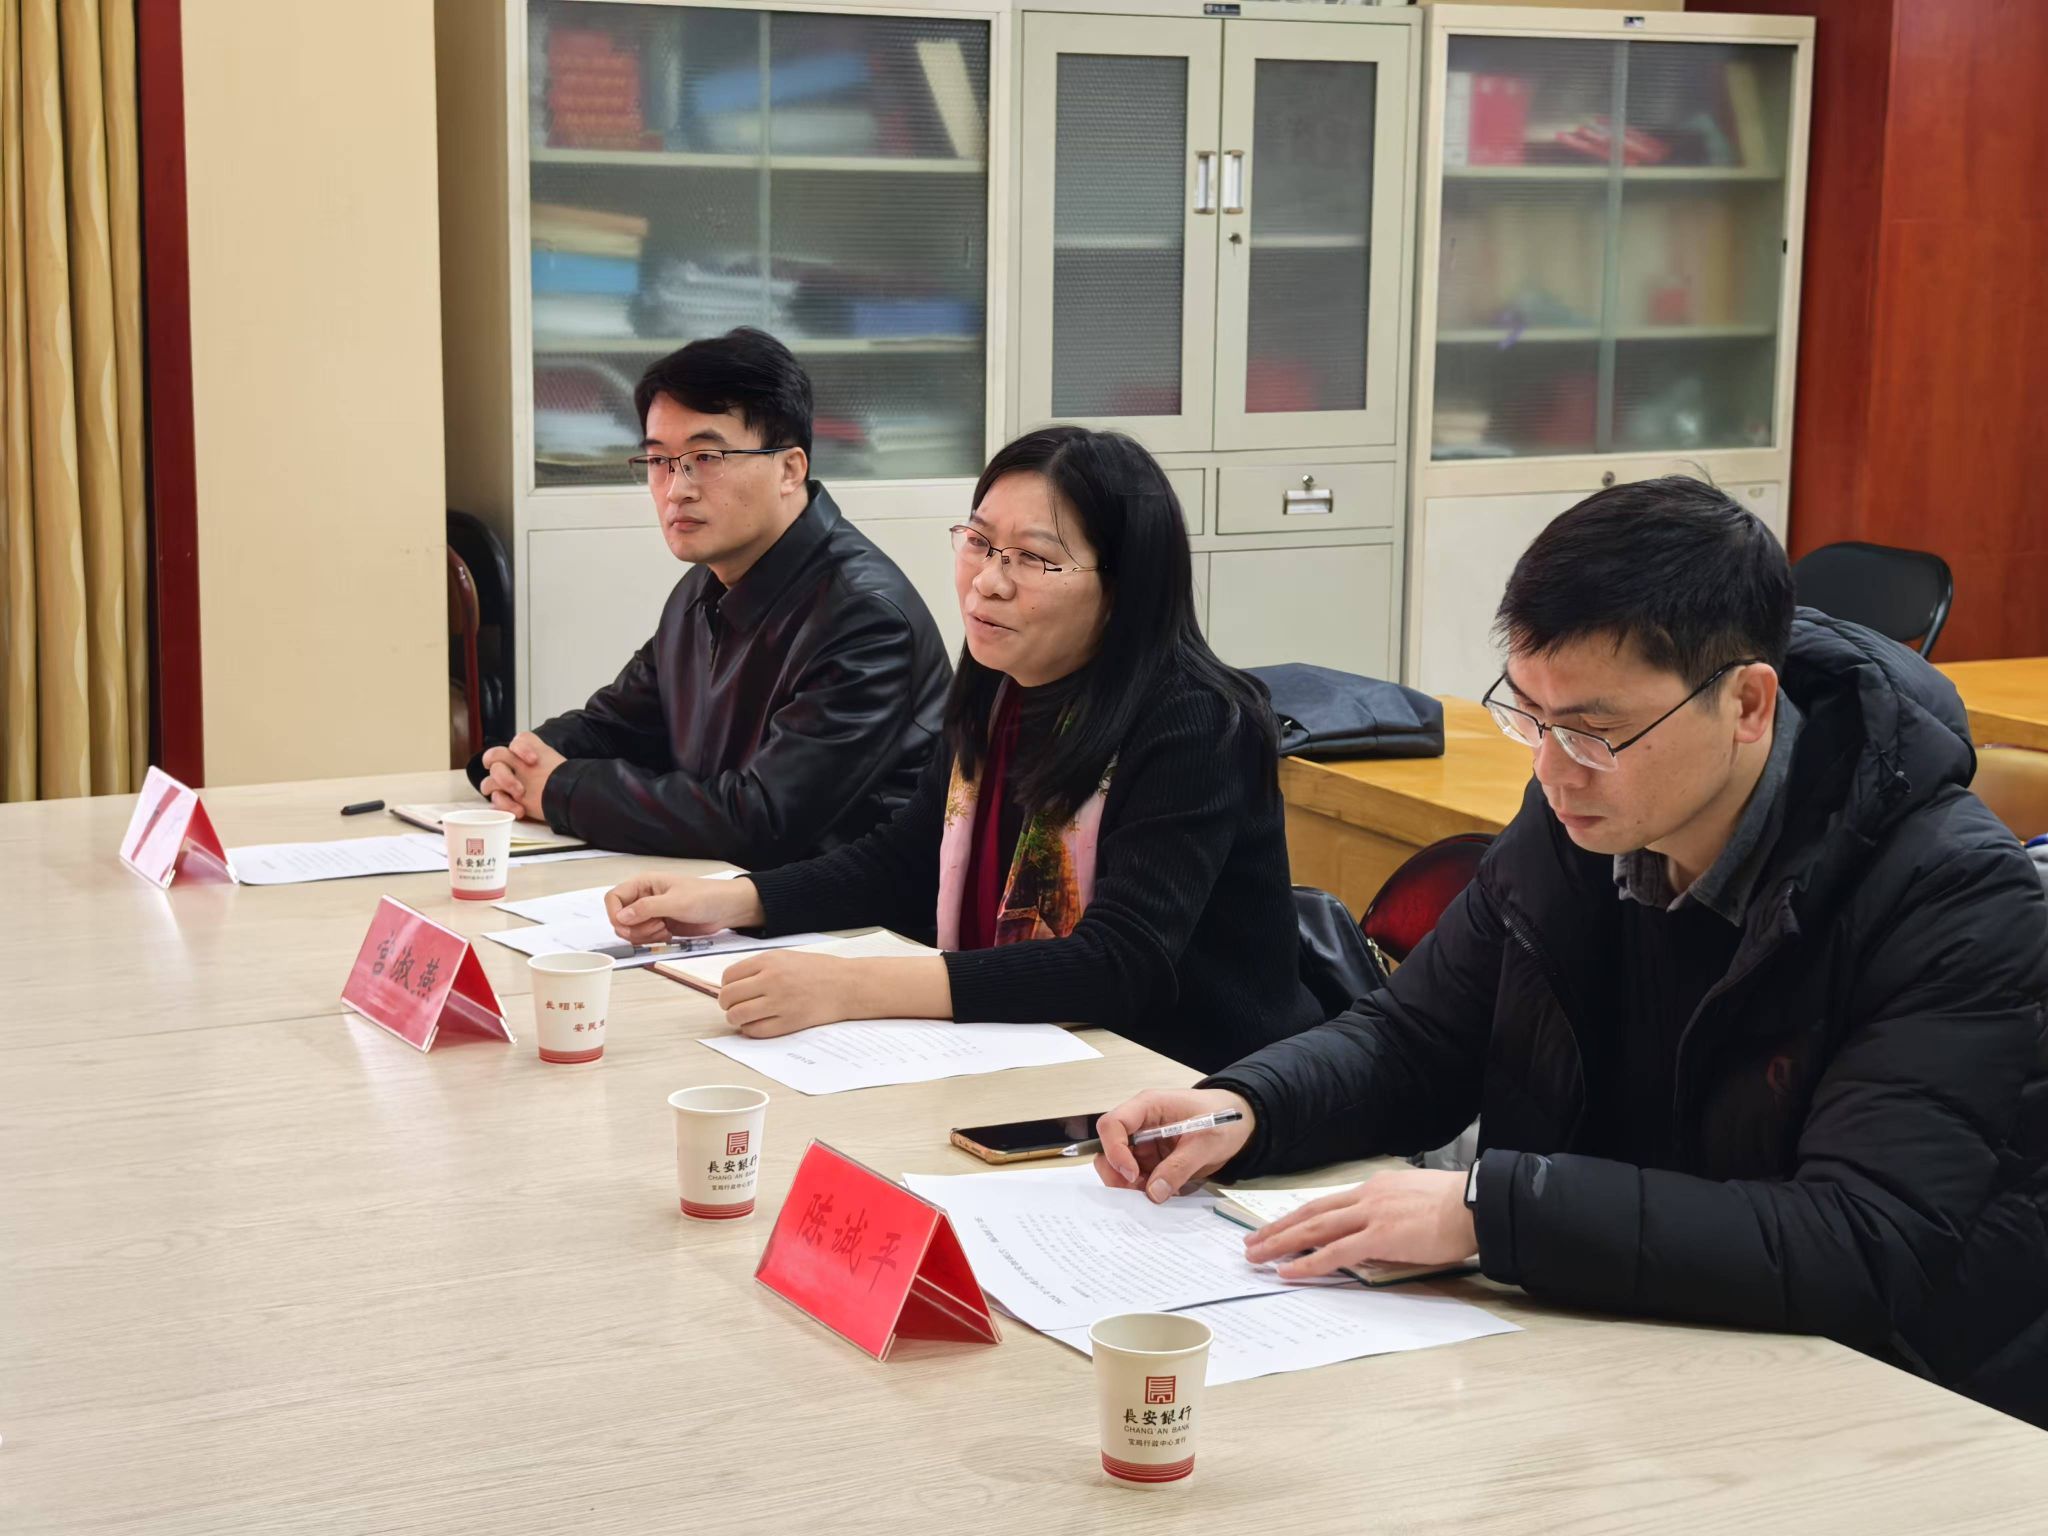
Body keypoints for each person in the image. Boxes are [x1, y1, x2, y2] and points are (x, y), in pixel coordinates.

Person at [1093, 477, 2048, 1426]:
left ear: (1749, 704)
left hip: (1890, 1403)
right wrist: (1249, 1105)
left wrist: (1490, 1212)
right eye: (1530, 717)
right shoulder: (1581, 821)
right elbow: (1416, 1038)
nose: (1552, 770)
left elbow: (1860, 1240)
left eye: (1595, 731)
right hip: (1621, 1344)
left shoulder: (1949, 894)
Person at [604, 425, 1325, 1073]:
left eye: (1032, 559)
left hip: (1188, 1084)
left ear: (1123, 587)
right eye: (978, 542)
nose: (987, 581)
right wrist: (731, 900)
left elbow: (1119, 963)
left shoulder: (1197, 721)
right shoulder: (1001, 682)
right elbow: (906, 859)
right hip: (1032, 1056)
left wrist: (850, 986)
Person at [470, 327, 951, 864]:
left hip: (840, 909)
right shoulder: (706, 583)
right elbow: (617, 726)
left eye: (706, 457)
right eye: (659, 461)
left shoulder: (864, 618)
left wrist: (559, 790)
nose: (676, 489)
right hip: (720, 891)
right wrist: (514, 764)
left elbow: (762, 819)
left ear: (789, 469)